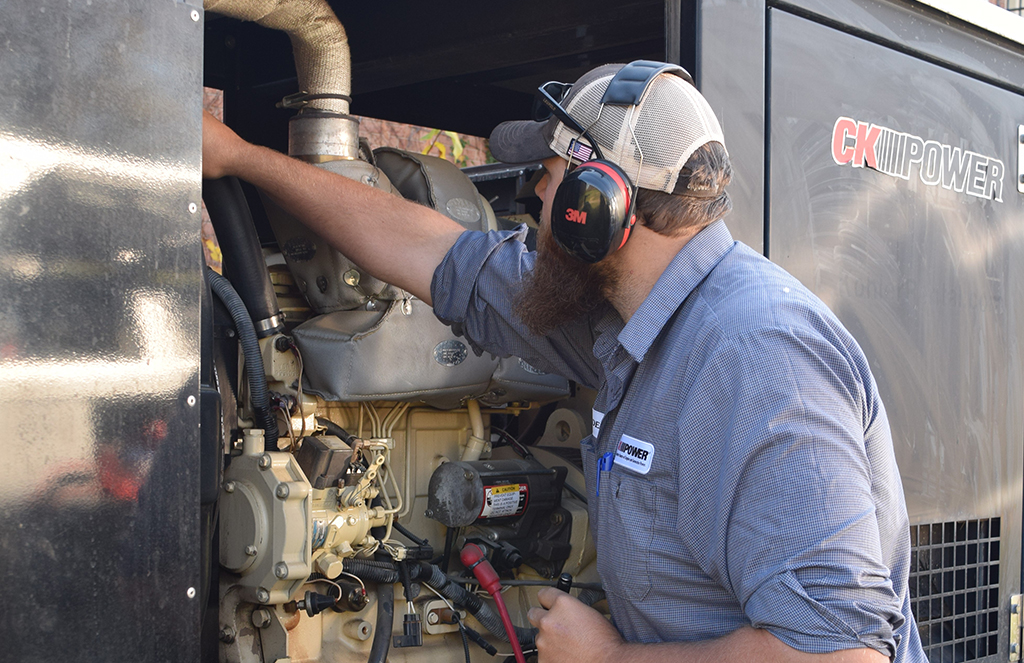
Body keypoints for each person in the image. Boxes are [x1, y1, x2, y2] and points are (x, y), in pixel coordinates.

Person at [202, 60, 925, 663]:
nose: (533, 194)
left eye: (548, 177)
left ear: (598, 205)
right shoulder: (620, 315)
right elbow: (437, 257)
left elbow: (839, 654)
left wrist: (610, 660)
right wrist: (240, 158)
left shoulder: (757, 359)